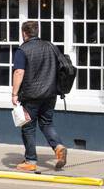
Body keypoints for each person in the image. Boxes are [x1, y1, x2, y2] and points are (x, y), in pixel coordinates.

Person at [11, 20, 67, 172]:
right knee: (47, 123)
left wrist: (14, 93)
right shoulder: (50, 46)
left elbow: (19, 72)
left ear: (24, 33)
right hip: (50, 93)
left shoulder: (23, 50)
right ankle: (58, 147)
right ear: (37, 31)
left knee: (28, 128)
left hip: (31, 95)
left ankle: (30, 160)